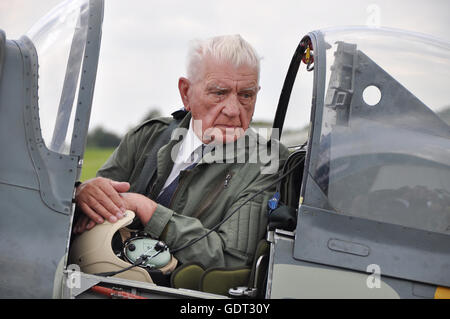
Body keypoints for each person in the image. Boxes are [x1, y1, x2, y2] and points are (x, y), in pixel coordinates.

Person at [73, 34, 288, 269]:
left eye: (246, 95)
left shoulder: (268, 162)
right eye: (219, 93)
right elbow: (86, 211)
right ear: (186, 93)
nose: (233, 110)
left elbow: (230, 259)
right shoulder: (149, 137)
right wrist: (82, 194)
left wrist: (146, 209)